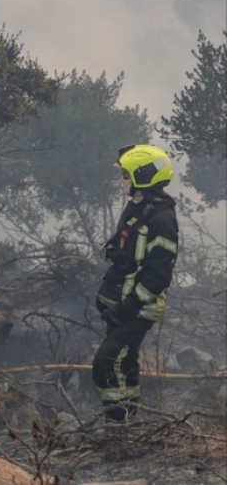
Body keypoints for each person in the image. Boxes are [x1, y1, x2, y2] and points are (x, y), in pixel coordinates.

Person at [93, 144, 179, 423]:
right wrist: (107, 298)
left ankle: (117, 426)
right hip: (124, 304)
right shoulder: (139, 208)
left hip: (139, 308)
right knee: (125, 361)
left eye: (127, 175)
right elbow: (124, 262)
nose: (123, 181)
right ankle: (128, 423)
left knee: (105, 363)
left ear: (144, 176)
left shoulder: (162, 219)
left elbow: (158, 276)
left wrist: (126, 308)